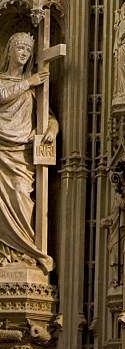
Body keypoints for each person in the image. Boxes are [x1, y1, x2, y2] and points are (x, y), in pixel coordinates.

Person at [0, 32, 55, 273]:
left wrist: (52, 130)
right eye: (19, 48)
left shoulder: (35, 91)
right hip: (1, 149)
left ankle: (24, 252)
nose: (23, 53)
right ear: (9, 51)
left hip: (22, 153)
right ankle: (5, 254)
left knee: (22, 196)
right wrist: (29, 82)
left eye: (27, 50)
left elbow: (49, 117)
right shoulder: (5, 81)